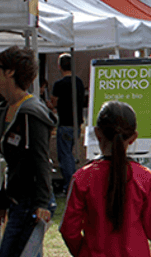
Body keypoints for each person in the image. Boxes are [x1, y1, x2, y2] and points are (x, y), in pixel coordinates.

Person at [60, 101, 151, 257]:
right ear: (133, 138)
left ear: (97, 133)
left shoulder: (82, 178)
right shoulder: (145, 178)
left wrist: (82, 252)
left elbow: (68, 229)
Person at [0, 46, 58, 257]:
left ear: (10, 72)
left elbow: (40, 160)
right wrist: (2, 202)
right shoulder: (5, 108)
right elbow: (14, 165)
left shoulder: (30, 112)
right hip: (18, 202)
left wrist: (41, 204)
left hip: (32, 202)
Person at [49, 52, 86, 195]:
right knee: (70, 154)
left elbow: (53, 102)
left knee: (65, 156)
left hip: (64, 123)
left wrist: (51, 105)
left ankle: (70, 185)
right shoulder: (79, 82)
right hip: (76, 123)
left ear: (59, 66)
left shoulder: (59, 84)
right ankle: (72, 184)